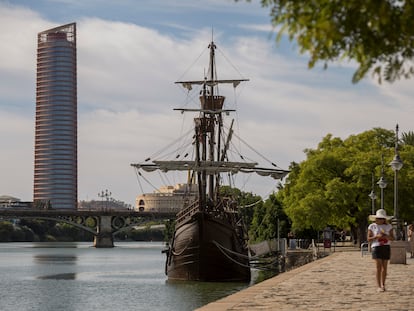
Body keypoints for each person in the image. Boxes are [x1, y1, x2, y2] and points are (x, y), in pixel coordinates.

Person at [367, 209, 394, 292]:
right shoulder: (372, 226)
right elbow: (368, 238)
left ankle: (383, 284)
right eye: (378, 218)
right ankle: (378, 285)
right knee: (378, 266)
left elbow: (392, 238)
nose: (380, 220)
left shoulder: (389, 226)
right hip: (376, 247)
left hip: (386, 246)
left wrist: (386, 236)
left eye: (382, 219)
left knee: (384, 267)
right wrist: (376, 236)